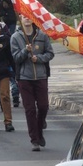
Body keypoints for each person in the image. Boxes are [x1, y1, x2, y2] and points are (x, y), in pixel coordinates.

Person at [10, 14, 54, 151]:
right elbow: (16, 58)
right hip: (24, 78)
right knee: (29, 109)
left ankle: (39, 131)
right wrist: (25, 51)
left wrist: (39, 58)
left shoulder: (42, 35)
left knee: (43, 106)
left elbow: (50, 53)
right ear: (20, 20)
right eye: (23, 17)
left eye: (29, 16)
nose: (27, 19)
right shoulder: (16, 37)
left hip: (41, 76)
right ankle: (34, 139)